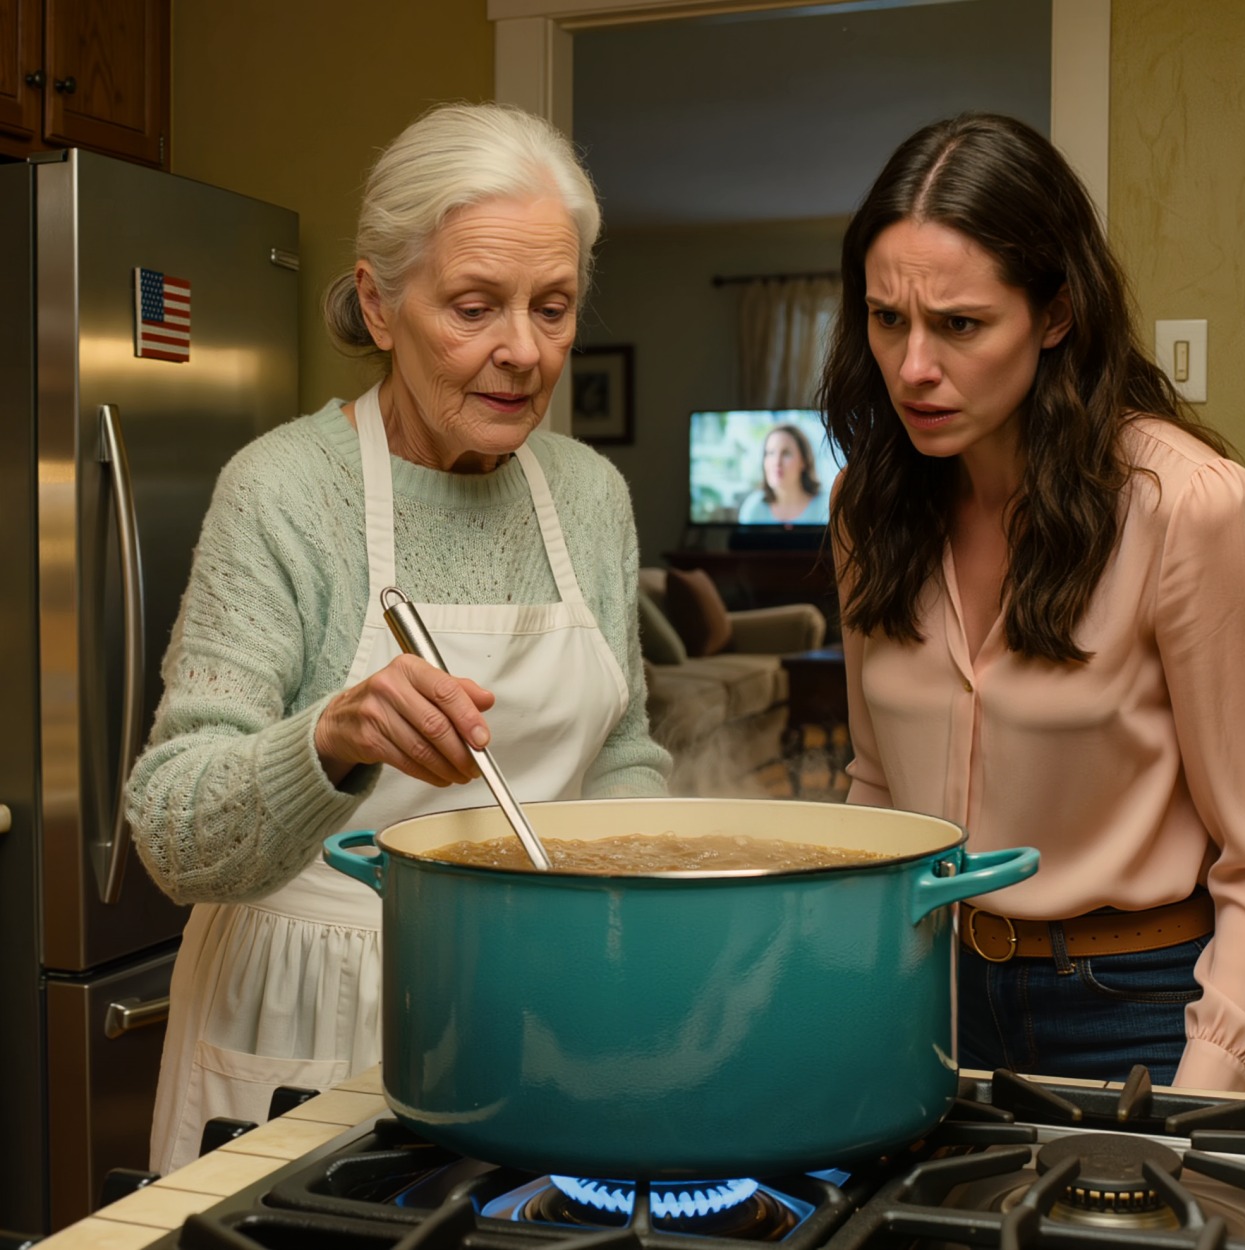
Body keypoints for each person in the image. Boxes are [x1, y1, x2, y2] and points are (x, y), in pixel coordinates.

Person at [124, 101, 671, 1175]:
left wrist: (635, 902)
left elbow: (621, 749)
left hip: (539, 1001)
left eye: (553, 308)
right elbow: (173, 836)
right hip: (311, 1008)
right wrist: (330, 739)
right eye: (474, 307)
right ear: (378, 304)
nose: (523, 352)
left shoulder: (590, 496)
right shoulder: (283, 491)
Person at [820, 112, 1245, 1092]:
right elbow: (877, 787)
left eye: (959, 325)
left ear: (1054, 316)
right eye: (886, 319)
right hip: (926, 989)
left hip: (1137, 1008)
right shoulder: (864, 507)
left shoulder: (1185, 507)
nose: (913, 367)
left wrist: (1202, 1083)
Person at [737, 423, 828, 524]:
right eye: (770, 453)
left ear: (804, 461)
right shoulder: (753, 509)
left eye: (786, 453)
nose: (777, 462)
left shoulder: (826, 507)